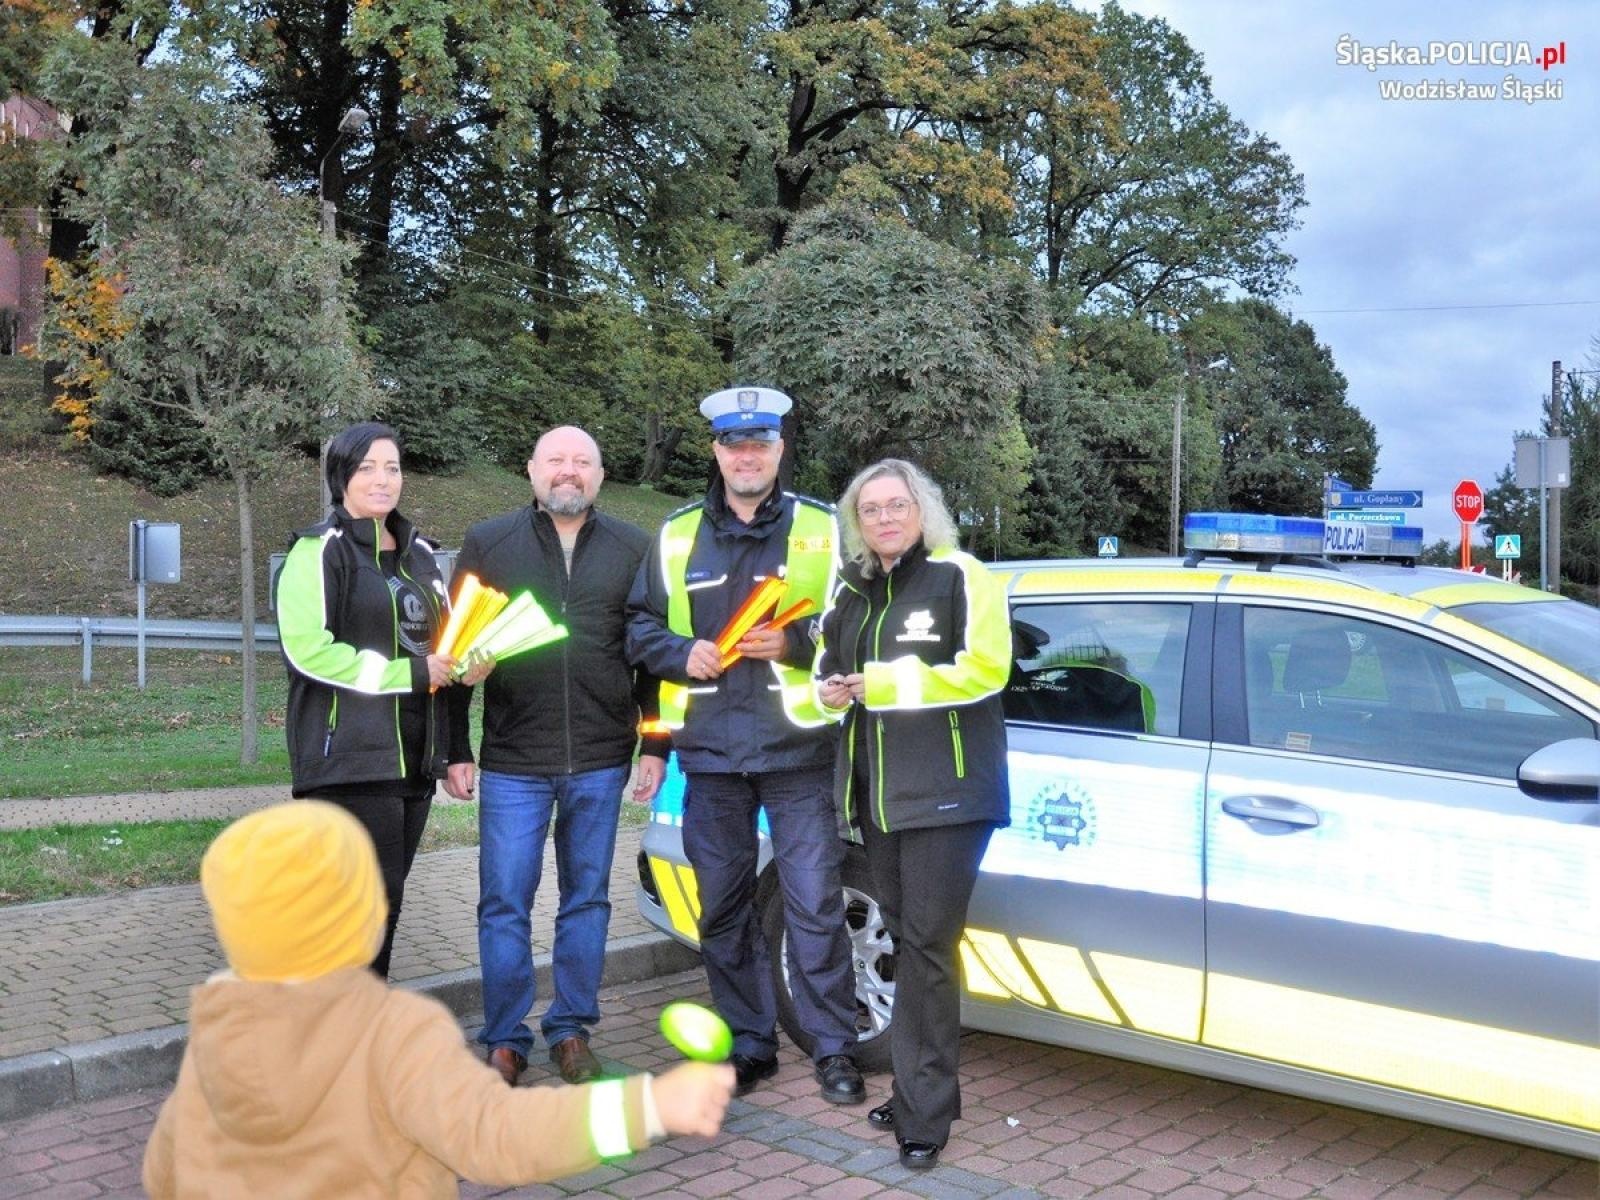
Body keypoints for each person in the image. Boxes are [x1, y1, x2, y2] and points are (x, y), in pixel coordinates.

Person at [143, 801, 735, 1199]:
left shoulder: (215, 1036)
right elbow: (495, 1133)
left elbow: (164, 1172)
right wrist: (650, 1107)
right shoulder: (391, 1031)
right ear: (362, 913)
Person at [626, 386, 864, 1106]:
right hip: (712, 758)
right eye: (735, 444)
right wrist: (678, 653)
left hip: (800, 754)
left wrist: (795, 644)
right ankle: (750, 1040)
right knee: (723, 908)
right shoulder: (674, 536)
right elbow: (637, 627)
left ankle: (833, 1047)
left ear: (779, 450)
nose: (747, 455)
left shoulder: (826, 528)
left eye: (760, 442)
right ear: (717, 453)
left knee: (815, 904)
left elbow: (855, 623)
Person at [445, 426, 669, 1087]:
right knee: (504, 901)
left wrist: (654, 745)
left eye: (582, 462)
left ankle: (571, 1030)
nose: (568, 472)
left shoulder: (635, 547)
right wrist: (456, 747)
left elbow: (652, 659)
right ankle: (505, 1039)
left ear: (600, 476)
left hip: (602, 759)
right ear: (531, 470)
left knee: (588, 901)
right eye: (555, 461)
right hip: (514, 758)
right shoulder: (490, 543)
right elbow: (455, 648)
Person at [814, 458, 1011, 1171]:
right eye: (872, 510)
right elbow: (821, 675)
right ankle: (920, 1090)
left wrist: (884, 682)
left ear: (922, 510)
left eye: (898, 505)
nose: (886, 519)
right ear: (857, 524)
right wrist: (830, 691)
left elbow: (988, 670)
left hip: (948, 797)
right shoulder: (854, 591)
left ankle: (924, 1114)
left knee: (926, 949)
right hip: (878, 799)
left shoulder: (961, 576)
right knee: (909, 941)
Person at [276, 421, 481, 978]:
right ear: (341, 476)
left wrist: (466, 670)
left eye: (392, 467)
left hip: (414, 755)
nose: (382, 479)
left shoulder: (419, 555)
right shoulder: (319, 551)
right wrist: (411, 673)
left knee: (386, 900)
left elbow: (443, 653)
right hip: (348, 755)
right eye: (366, 467)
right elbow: (308, 651)